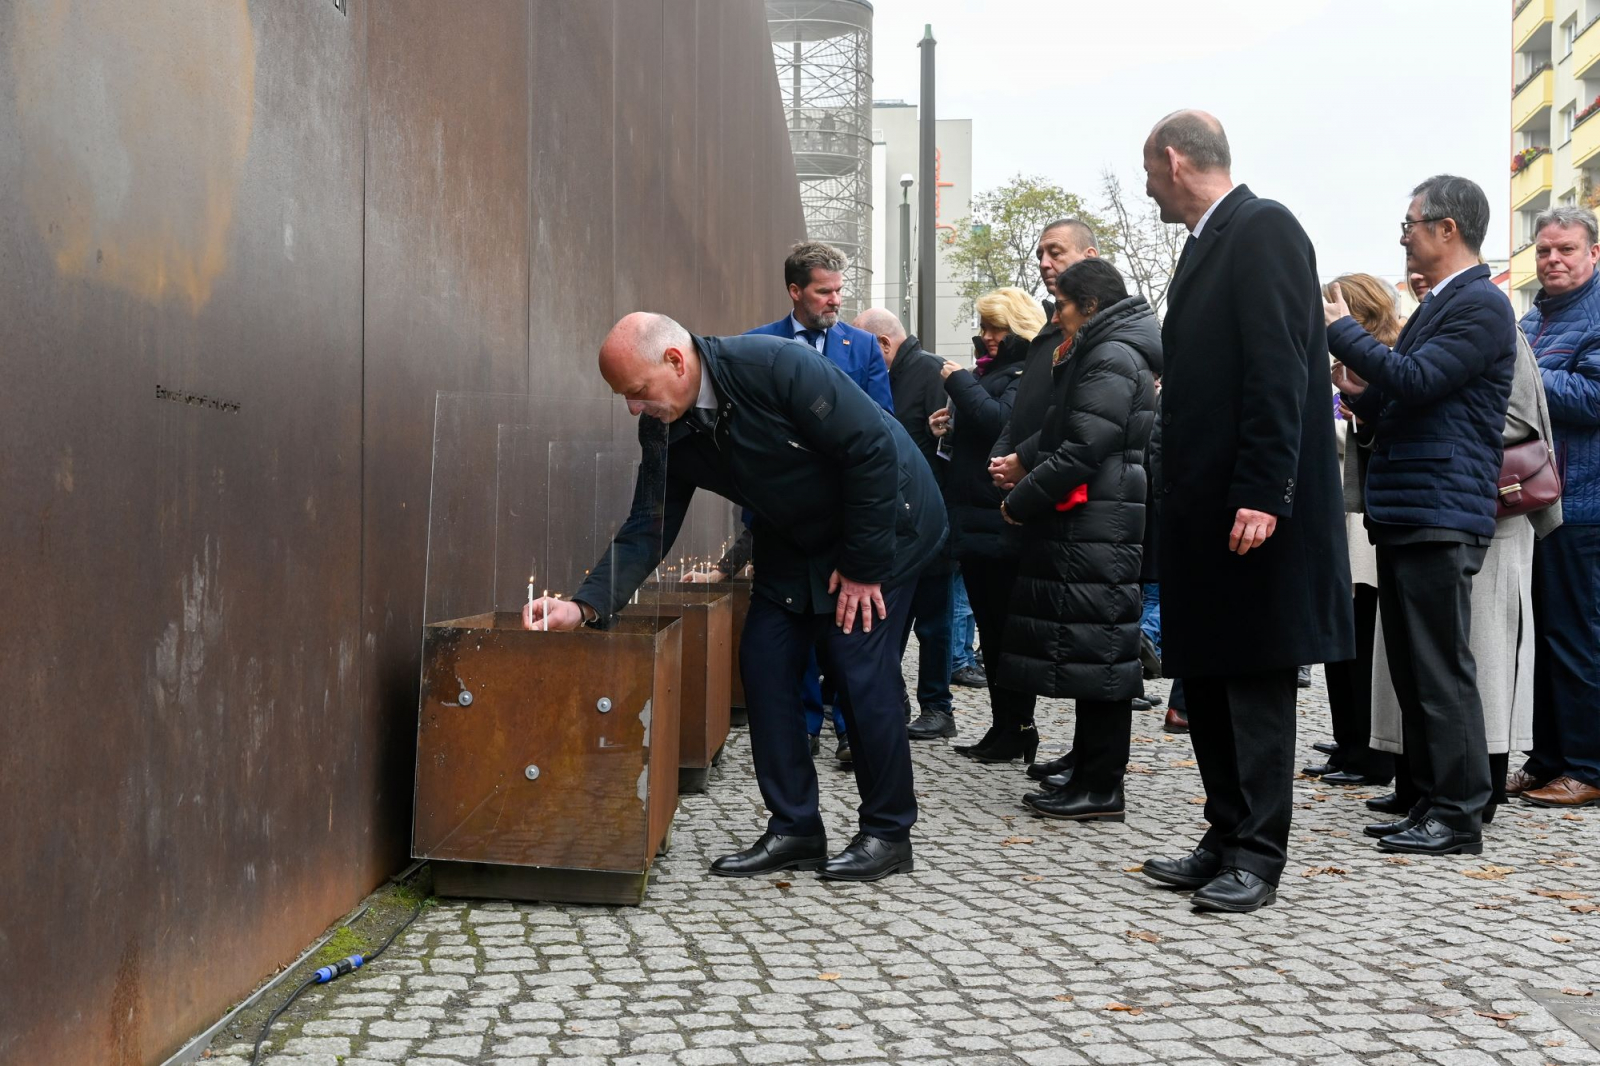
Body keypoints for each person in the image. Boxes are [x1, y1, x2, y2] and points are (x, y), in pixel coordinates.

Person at [528, 313, 946, 882]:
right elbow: (650, 522)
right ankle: (795, 828)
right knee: (765, 660)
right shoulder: (663, 422)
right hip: (791, 538)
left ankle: (888, 833)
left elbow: (872, 450)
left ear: (675, 361)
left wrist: (863, 568)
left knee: (857, 665)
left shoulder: (777, 366)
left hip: (885, 526)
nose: (632, 408)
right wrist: (585, 605)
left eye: (635, 391)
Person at [1138, 110, 1353, 913]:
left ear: (1171, 158)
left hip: (1249, 509)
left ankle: (1257, 855)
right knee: (1210, 678)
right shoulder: (1207, 243)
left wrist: (1264, 490)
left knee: (1254, 681)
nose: (1149, 188)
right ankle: (1223, 832)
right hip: (1204, 510)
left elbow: (1276, 367)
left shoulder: (1263, 228)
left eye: (1148, 171)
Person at [1326, 174, 1516, 857]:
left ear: (1447, 229)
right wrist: (1360, 392)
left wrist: (1342, 332)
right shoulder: (1442, 303)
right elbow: (1404, 400)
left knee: (1438, 668)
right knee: (1412, 667)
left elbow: (1419, 381)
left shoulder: (1481, 306)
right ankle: (1429, 797)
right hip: (1412, 507)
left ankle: (1459, 814)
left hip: (1440, 507)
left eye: (1409, 223)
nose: (1402, 235)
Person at [992, 258, 1159, 822]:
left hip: (1101, 518)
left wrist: (1022, 498)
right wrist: (1026, 460)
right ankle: (1089, 771)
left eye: (1061, 303)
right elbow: (1071, 427)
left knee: (1104, 655)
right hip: (1098, 516)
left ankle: (1101, 785)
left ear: (1088, 306)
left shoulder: (1109, 354)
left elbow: (1085, 446)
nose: (1054, 312)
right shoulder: (1102, 349)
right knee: (1095, 649)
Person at [929, 280, 1052, 762]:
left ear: (1017, 325)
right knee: (994, 632)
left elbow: (1000, 420)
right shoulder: (997, 369)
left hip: (1000, 523)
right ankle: (1007, 728)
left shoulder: (1025, 371)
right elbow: (981, 428)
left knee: (1005, 634)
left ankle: (1018, 728)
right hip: (978, 521)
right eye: (983, 326)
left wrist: (957, 383)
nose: (987, 335)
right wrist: (947, 425)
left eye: (995, 326)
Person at [1512, 204, 1600, 809]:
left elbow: (1594, 397)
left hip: (1584, 505)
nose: (1553, 260)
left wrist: (1525, 373)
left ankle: (1588, 767)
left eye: (1566, 249)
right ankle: (1546, 759)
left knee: (1578, 639)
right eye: (1544, 251)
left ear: (1593, 253)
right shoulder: (1533, 317)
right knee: (1541, 638)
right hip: (1539, 506)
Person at [1306, 274, 1397, 789]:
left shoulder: (1381, 360)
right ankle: (1349, 740)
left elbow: (1357, 433)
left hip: (1365, 519)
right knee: (1342, 635)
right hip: (1344, 514)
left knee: (1362, 636)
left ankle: (1367, 748)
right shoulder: (1345, 361)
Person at [855, 308, 957, 740]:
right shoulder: (895, 374)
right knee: (890, 622)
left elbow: (948, 451)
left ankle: (937, 707)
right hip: (896, 523)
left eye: (863, 350)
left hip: (930, 523)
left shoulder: (932, 373)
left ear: (881, 345)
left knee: (933, 622)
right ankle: (889, 700)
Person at [748, 241, 892, 410]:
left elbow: (884, 422)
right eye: (824, 292)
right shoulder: (756, 344)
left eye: (838, 290)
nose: (836, 301)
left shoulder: (864, 346)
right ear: (795, 292)